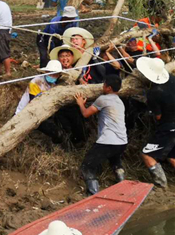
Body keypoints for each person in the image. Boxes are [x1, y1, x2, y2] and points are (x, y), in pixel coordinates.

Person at [75, 75, 127, 195]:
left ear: (109, 88)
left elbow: (86, 114)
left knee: (87, 166)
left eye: (104, 84)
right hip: (122, 142)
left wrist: (80, 103)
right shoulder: (120, 102)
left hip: (108, 142)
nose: (102, 86)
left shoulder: (103, 99)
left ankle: (93, 193)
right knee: (115, 163)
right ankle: (123, 186)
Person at [136, 58, 175, 188]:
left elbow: (158, 116)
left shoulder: (154, 93)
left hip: (169, 127)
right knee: (172, 156)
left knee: (146, 154)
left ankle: (161, 184)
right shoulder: (173, 79)